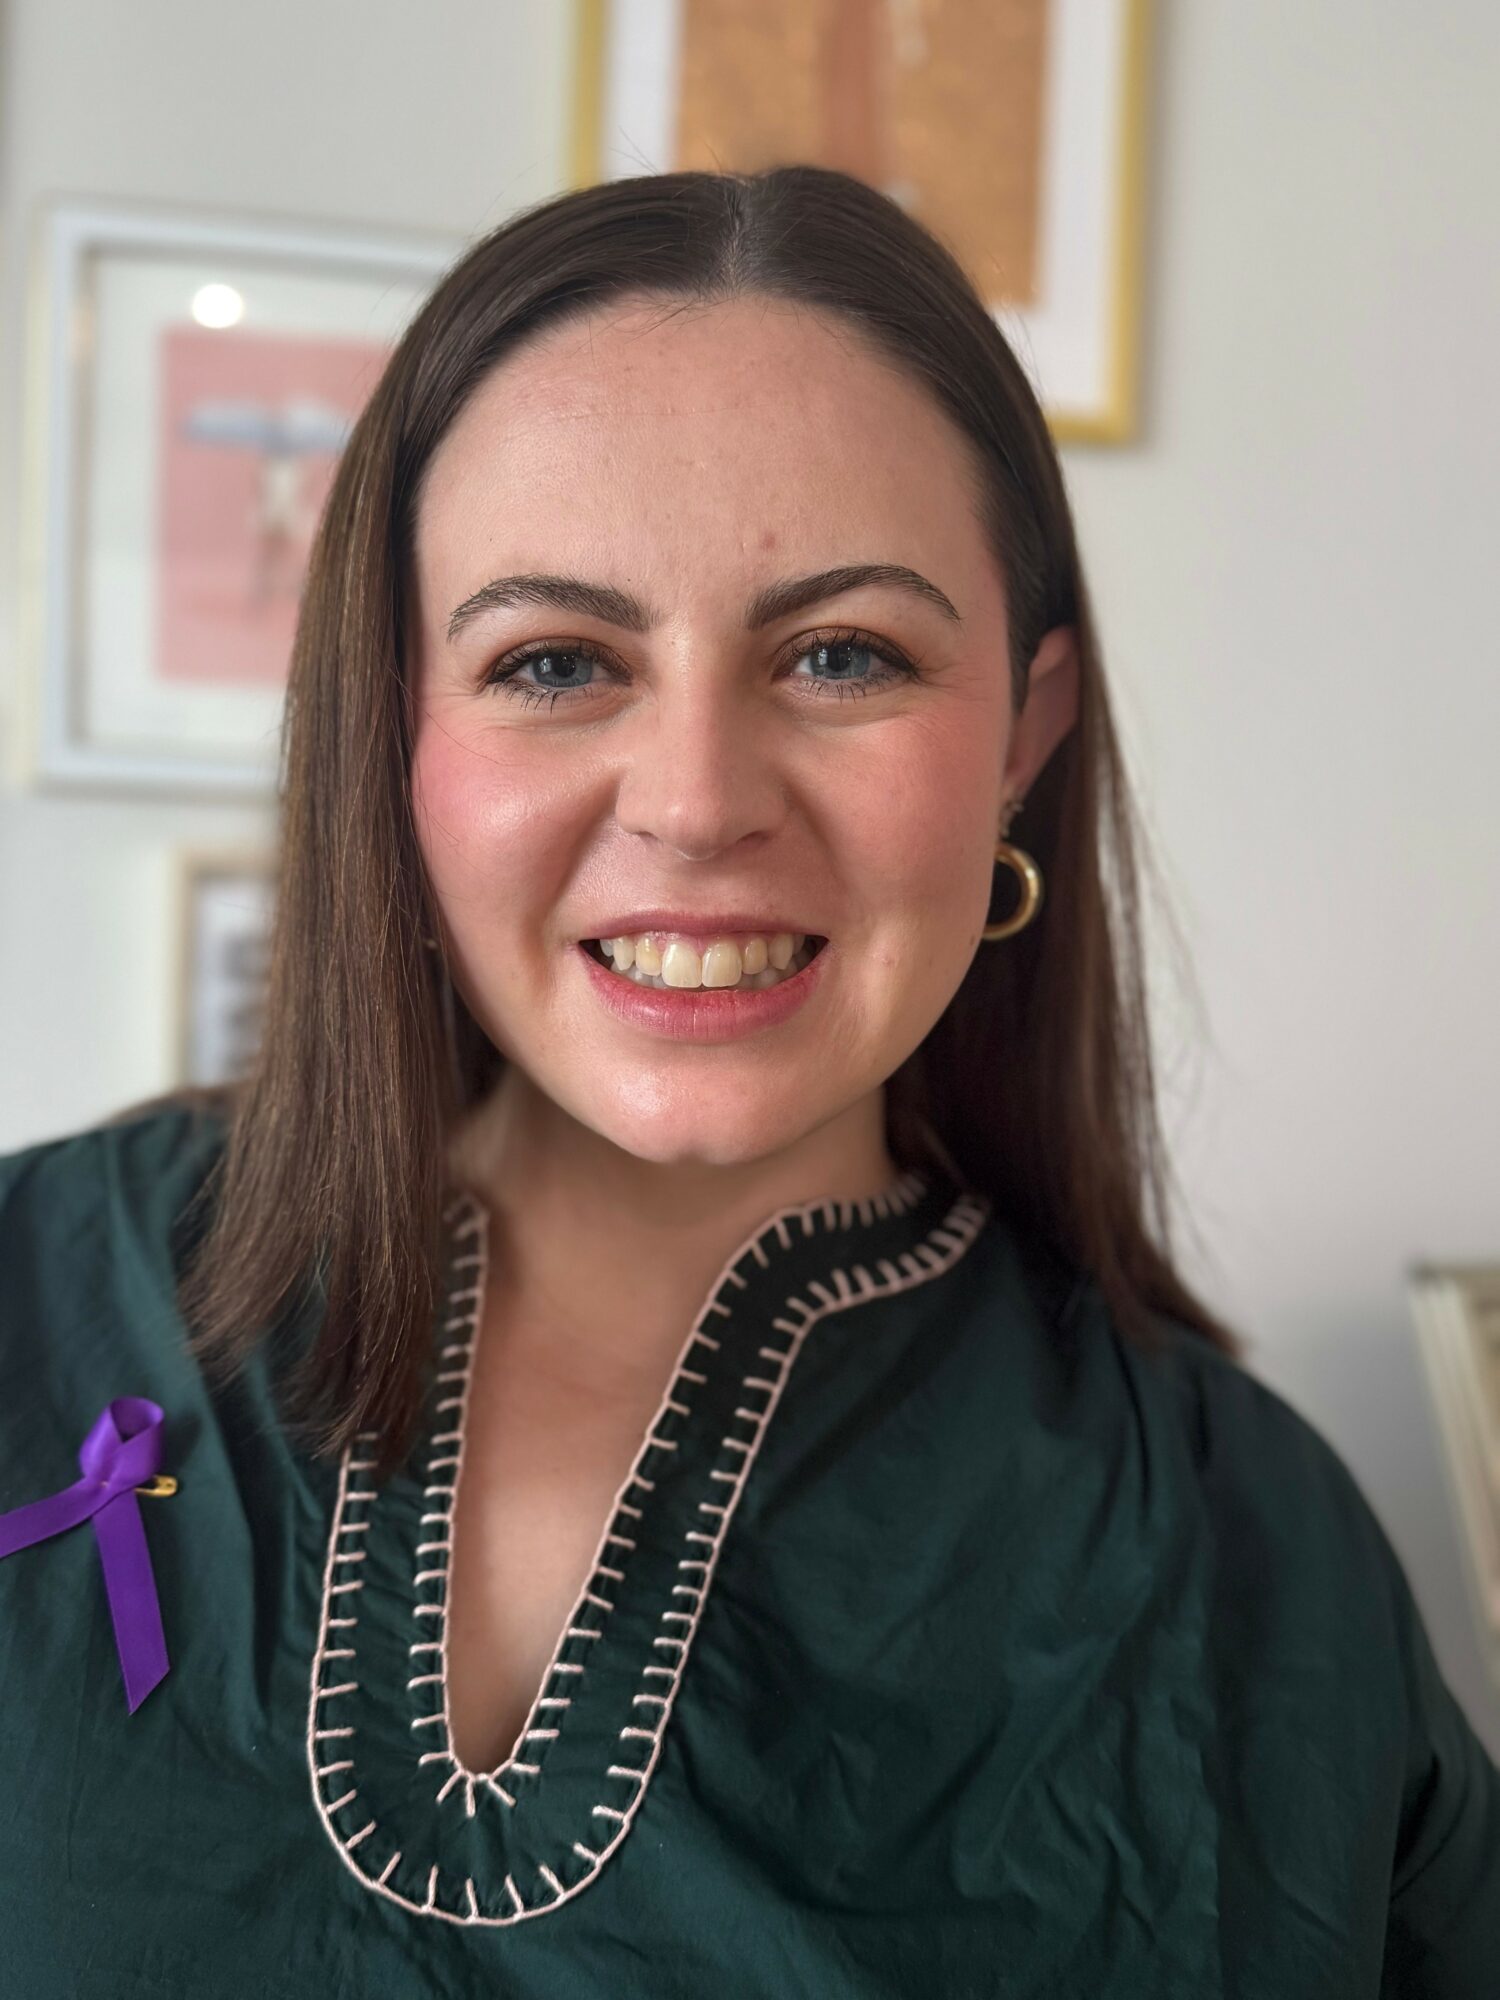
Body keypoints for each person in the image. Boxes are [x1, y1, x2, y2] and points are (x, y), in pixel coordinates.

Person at [1, 165, 1495, 1996]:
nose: (698, 800)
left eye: (844, 654)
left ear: (1022, 736)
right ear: (393, 732)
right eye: (555, 660)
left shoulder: (1256, 1578)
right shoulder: (32, 1289)